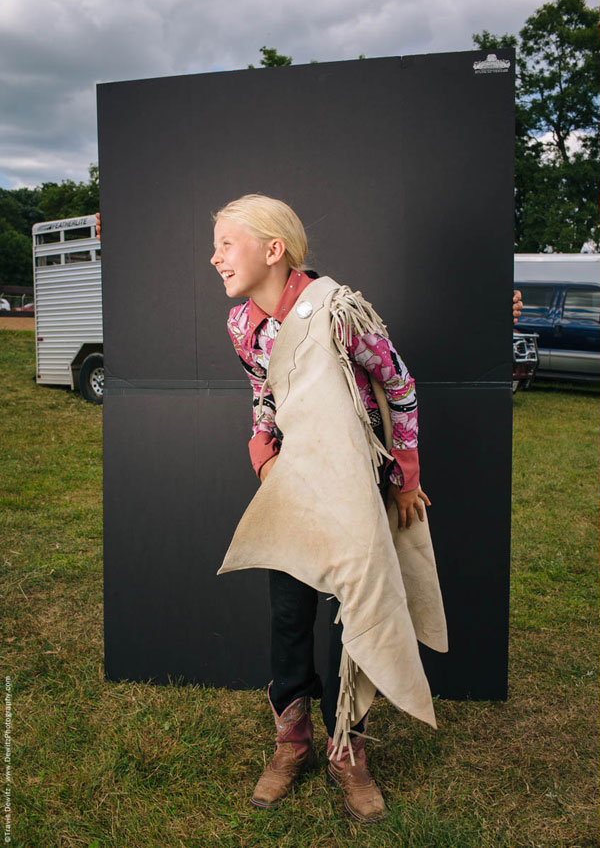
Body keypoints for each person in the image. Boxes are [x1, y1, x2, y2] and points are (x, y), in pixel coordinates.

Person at [213, 194, 432, 822]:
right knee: (289, 614)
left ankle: (348, 750)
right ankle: (293, 741)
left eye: (228, 244)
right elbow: (263, 396)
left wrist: (404, 478)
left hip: (357, 488)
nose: (216, 257)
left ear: (272, 250)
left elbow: (400, 385)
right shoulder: (240, 327)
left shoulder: (338, 312)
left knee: (362, 610)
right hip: (293, 487)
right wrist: (264, 456)